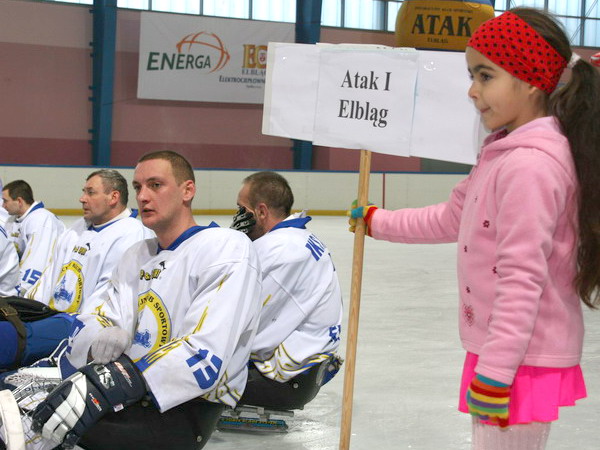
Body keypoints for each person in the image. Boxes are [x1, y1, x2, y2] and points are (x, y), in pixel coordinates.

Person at [349, 7, 600, 449]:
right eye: (472, 75)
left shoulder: (529, 166)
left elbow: (523, 276)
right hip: (505, 347)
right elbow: (452, 217)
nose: (472, 90)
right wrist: (377, 221)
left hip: (519, 355)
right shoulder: (502, 151)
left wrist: (498, 372)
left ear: (530, 79)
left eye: (485, 76)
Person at [21, 151, 262, 450]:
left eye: (155, 185)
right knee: (15, 398)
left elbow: (204, 350)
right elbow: (103, 314)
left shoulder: (225, 248)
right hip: (128, 395)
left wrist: (113, 381)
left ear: (188, 190)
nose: (143, 196)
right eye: (138, 187)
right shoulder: (137, 254)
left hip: (182, 411)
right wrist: (102, 335)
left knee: (29, 423)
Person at [0, 170, 154, 371]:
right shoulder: (78, 228)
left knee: (8, 339)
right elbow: (49, 276)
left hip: (78, 326)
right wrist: (26, 309)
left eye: (91, 192)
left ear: (113, 197)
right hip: (50, 316)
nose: (82, 199)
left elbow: (108, 300)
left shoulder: (132, 234)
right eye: (84, 192)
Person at [232, 171, 343, 410]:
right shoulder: (299, 236)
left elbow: (242, 327)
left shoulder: (276, 249)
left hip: (284, 380)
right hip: (308, 370)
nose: (237, 217)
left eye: (241, 209)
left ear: (261, 211)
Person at [2, 180, 65, 296]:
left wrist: (18, 292)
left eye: (6, 201)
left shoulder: (41, 220)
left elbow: (37, 263)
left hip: (44, 288)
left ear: (19, 201)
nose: (3, 205)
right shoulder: (12, 220)